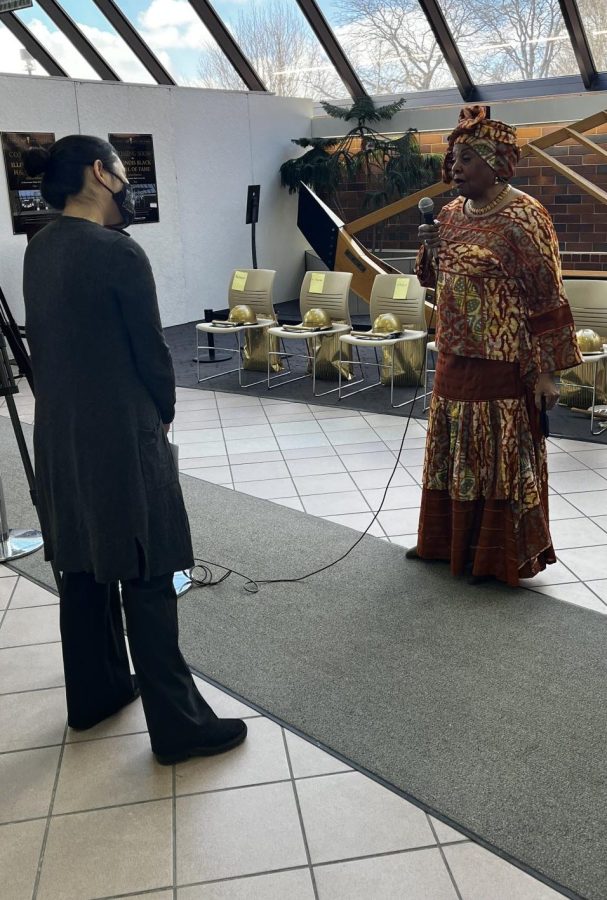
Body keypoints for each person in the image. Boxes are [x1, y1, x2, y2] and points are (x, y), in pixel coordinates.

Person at [22, 135, 247, 763]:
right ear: (101, 172)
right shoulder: (119, 252)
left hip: (60, 432)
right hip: (122, 432)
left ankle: (93, 696)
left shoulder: (38, 248)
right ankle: (178, 727)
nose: (126, 184)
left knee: (84, 562)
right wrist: (165, 415)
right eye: (119, 172)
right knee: (147, 567)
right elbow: (151, 353)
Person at [408, 106, 582, 587]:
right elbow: (430, 279)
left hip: (504, 362)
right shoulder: (446, 214)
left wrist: (548, 372)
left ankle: (492, 556)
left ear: (496, 163)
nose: (454, 169)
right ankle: (445, 544)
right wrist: (428, 247)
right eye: (453, 159)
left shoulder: (525, 217)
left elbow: (548, 296)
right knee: (452, 447)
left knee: (495, 454)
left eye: (465, 159)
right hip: (452, 354)